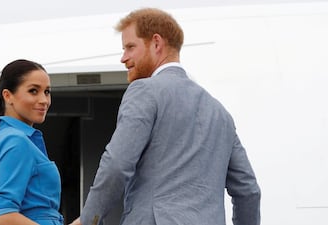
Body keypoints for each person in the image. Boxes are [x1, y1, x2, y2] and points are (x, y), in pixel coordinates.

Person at [70, 8, 261, 225]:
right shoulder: (219, 113)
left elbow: (116, 164)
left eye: (130, 47)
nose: (124, 58)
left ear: (156, 43)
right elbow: (248, 191)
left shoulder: (144, 91)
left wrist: (89, 220)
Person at [0, 59, 64, 225]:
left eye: (47, 92)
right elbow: (5, 217)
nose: (44, 100)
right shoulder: (15, 141)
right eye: (33, 91)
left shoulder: (3, 137)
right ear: (7, 96)